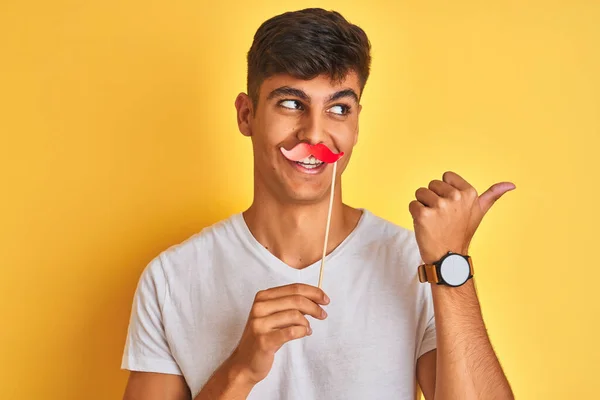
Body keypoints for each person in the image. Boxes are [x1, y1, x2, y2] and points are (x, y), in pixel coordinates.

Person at [121, 8, 515, 400]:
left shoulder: (419, 266)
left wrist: (451, 265)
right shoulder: (170, 280)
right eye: (291, 103)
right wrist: (240, 370)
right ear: (246, 114)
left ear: (356, 123)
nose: (314, 133)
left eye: (338, 109)